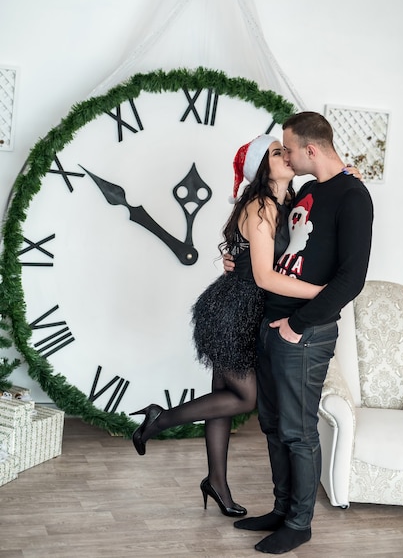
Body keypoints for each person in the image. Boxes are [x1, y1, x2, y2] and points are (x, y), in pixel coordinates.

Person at [129, 134, 325, 518]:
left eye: (285, 149)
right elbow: (265, 274)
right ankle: (160, 419)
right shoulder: (263, 205)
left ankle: (216, 482)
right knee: (245, 398)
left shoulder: (287, 201)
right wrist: (321, 292)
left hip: (238, 307)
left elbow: (245, 248)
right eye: (275, 152)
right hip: (233, 311)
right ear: (261, 167)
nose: (285, 154)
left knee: (223, 397)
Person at [232, 112, 373, 555]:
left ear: (310, 150)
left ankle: (299, 522)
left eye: (289, 148)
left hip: (304, 333)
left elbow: (352, 280)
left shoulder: (353, 198)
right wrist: (238, 261)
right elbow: (280, 247)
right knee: (272, 426)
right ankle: (280, 508)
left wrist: (297, 324)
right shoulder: (309, 190)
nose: (286, 157)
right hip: (272, 321)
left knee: (298, 432)